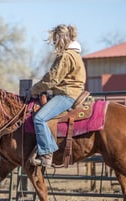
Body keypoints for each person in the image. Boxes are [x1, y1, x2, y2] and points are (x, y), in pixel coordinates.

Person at [30, 24, 87, 168]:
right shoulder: (75, 54)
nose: (54, 43)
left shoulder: (66, 56)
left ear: (62, 39)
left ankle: (48, 153)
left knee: (39, 119)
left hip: (66, 95)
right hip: (69, 92)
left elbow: (53, 79)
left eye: (55, 39)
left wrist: (34, 90)